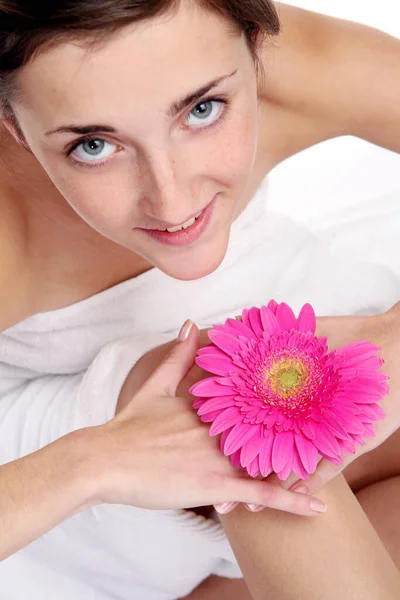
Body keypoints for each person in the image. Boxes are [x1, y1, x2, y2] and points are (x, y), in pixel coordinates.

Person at [0, 1, 399, 598]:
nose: (170, 200)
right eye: (92, 146)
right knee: (232, 396)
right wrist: (89, 463)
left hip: (304, 313)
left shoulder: (289, 58)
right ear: (12, 123)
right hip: (80, 481)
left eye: (202, 110)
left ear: (258, 50)